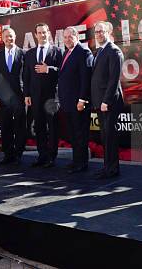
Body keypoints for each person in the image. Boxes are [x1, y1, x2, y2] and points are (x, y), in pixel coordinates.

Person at [23, 23, 63, 167]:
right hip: (35, 97)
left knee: (52, 127)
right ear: (35, 35)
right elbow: (26, 75)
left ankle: (52, 157)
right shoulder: (29, 54)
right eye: (39, 32)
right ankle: (42, 156)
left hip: (52, 96)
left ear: (49, 33)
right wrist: (26, 94)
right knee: (39, 126)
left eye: (45, 32)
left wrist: (48, 69)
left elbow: (62, 72)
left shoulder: (57, 51)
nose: (42, 35)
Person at [90, 21, 124, 179]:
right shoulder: (100, 51)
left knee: (110, 136)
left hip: (109, 103)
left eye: (101, 31)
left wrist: (106, 101)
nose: (98, 34)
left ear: (109, 32)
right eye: (96, 32)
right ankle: (107, 167)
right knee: (105, 136)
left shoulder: (113, 51)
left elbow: (113, 80)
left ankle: (112, 169)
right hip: (100, 102)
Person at [58, 26, 93, 173]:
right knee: (73, 134)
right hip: (68, 102)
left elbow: (86, 79)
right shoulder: (67, 52)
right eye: (64, 37)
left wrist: (82, 100)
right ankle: (76, 161)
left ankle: (82, 163)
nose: (66, 40)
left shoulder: (84, 52)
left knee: (80, 134)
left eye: (69, 37)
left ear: (76, 37)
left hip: (79, 103)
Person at [0, 27, 27, 165]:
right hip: (3, 98)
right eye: (6, 36)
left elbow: (26, 76)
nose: (9, 39)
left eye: (11, 36)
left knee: (20, 126)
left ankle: (18, 154)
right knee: (5, 126)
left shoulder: (23, 54)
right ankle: (8, 155)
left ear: (15, 37)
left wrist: (27, 94)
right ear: (2, 38)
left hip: (20, 96)